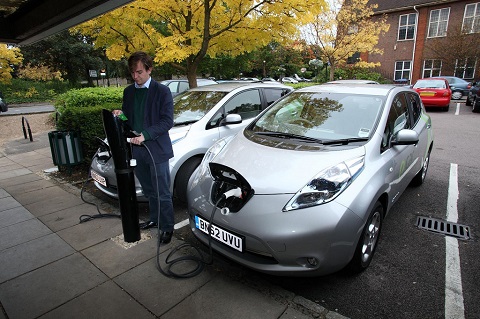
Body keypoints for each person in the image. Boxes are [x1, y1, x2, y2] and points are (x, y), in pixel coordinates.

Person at [112, 51, 174, 244]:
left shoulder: (162, 91)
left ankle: (167, 227)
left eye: (139, 72)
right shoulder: (129, 92)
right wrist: (120, 115)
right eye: (132, 72)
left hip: (156, 149)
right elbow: (128, 120)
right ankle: (155, 219)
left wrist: (145, 135)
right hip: (137, 151)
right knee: (149, 190)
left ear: (149, 69)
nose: (135, 76)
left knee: (162, 191)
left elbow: (167, 121)